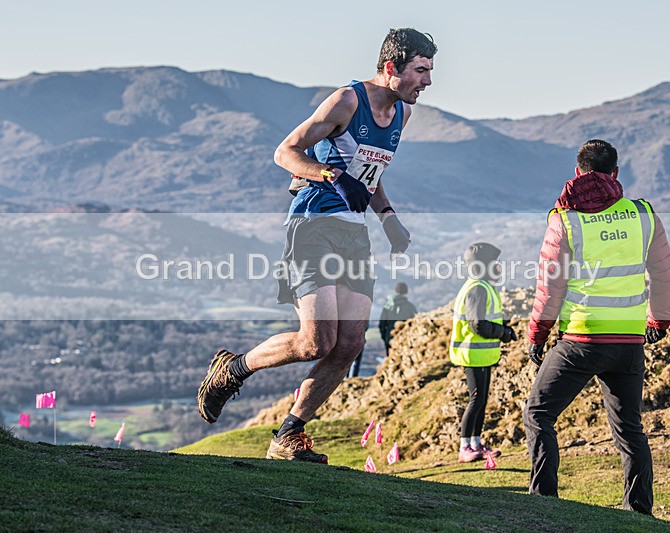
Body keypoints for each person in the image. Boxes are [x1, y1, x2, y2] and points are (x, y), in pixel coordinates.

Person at [196, 28, 437, 464]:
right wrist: (331, 175)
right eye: (420, 70)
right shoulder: (347, 101)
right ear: (391, 68)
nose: (428, 81)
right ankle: (233, 369)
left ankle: (289, 433)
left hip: (354, 234)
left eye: (430, 71)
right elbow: (286, 153)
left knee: (349, 344)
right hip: (313, 225)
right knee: (315, 342)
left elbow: (371, 175)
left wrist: (388, 218)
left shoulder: (401, 114)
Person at [524, 139, 670, 515]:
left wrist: (537, 335)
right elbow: (664, 274)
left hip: (581, 339)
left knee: (538, 414)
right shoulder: (643, 215)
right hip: (629, 342)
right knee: (630, 429)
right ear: (616, 172)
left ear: (578, 172)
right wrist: (659, 321)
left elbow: (550, 286)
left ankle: (544, 502)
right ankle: (639, 511)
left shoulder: (565, 220)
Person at [450, 243, 517, 463]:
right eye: (494, 263)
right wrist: (503, 333)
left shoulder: (482, 286)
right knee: (476, 400)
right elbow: (477, 324)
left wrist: (503, 328)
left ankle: (476, 444)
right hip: (473, 354)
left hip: (481, 354)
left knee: (481, 400)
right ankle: (465, 448)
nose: (498, 267)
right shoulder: (478, 288)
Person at [378, 282, 417, 356]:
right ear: (406, 292)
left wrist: (385, 337)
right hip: (405, 340)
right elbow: (416, 324)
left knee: (391, 360)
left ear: (396, 291)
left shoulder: (387, 306)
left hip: (389, 339)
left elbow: (381, 324)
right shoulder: (410, 307)